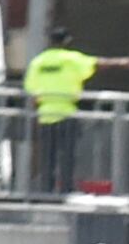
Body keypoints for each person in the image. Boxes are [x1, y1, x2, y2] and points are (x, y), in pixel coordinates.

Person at [22, 34, 101, 194]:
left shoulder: (39, 62)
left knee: (47, 157)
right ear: (66, 41)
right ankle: (66, 190)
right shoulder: (71, 58)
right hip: (67, 113)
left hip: (45, 115)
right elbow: (93, 65)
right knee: (67, 155)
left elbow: (30, 88)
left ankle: (46, 191)